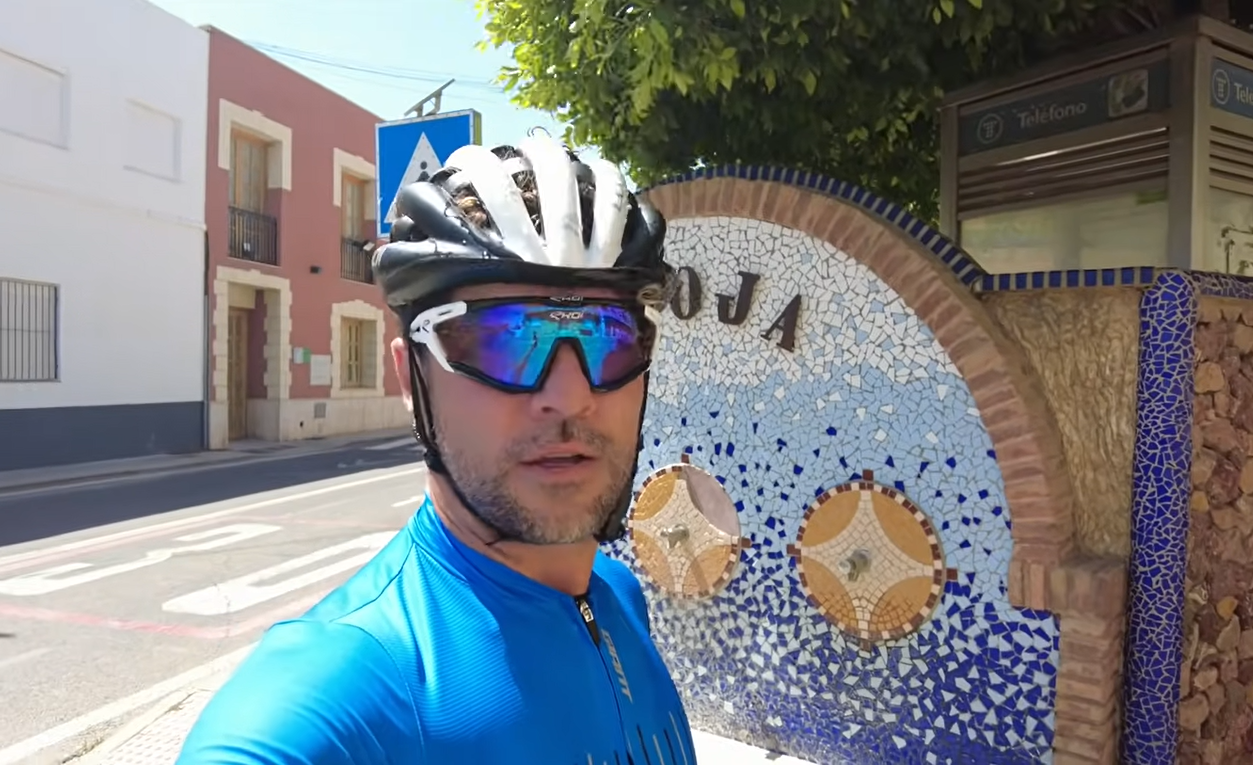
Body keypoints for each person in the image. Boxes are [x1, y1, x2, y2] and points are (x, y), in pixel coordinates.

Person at [176, 134, 697, 764]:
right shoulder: (343, 686)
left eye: (608, 339)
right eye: (506, 340)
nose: (570, 396)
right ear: (409, 377)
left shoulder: (618, 596)